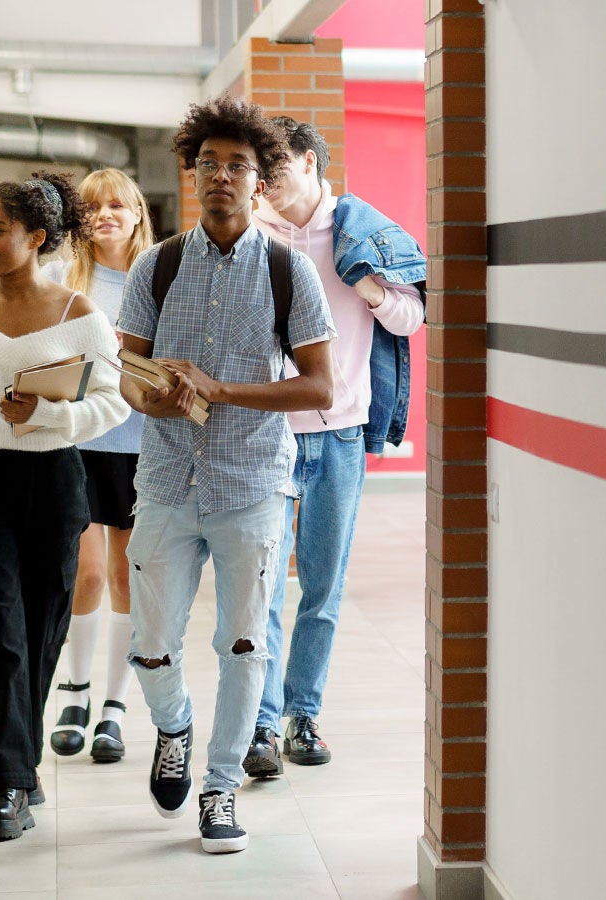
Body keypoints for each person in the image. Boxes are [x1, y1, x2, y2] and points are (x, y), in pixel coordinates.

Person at [115, 98, 336, 854]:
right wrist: (160, 398)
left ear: (262, 180)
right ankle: (173, 726)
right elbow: (127, 377)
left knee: (245, 645)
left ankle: (218, 787)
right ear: (193, 172)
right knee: (149, 643)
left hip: (251, 486)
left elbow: (318, 388)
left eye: (237, 165)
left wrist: (219, 389)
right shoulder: (158, 263)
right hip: (167, 481)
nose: (220, 175)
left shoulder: (288, 271)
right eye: (208, 162)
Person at [0, 171, 130, 841]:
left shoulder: (78, 315)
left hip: (54, 482)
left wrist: (45, 414)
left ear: (36, 237)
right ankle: (5, 786)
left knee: (40, 633)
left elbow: (114, 401)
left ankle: (22, 759)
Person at [243, 117, 426, 775]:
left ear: (313, 163)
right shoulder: (249, 239)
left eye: (277, 170)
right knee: (261, 585)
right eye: (258, 173)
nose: (264, 184)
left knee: (322, 587)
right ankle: (260, 725)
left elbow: (411, 318)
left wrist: (367, 285)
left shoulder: (359, 234)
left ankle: (302, 717)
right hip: (265, 436)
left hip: (341, 433)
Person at [43, 168, 154, 764]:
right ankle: (75, 690)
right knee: (83, 575)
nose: (106, 214)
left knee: (126, 579)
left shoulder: (159, 278)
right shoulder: (60, 279)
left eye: (118, 204)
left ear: (137, 212)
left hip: (141, 450)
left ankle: (115, 704)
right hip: (79, 446)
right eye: (93, 207)